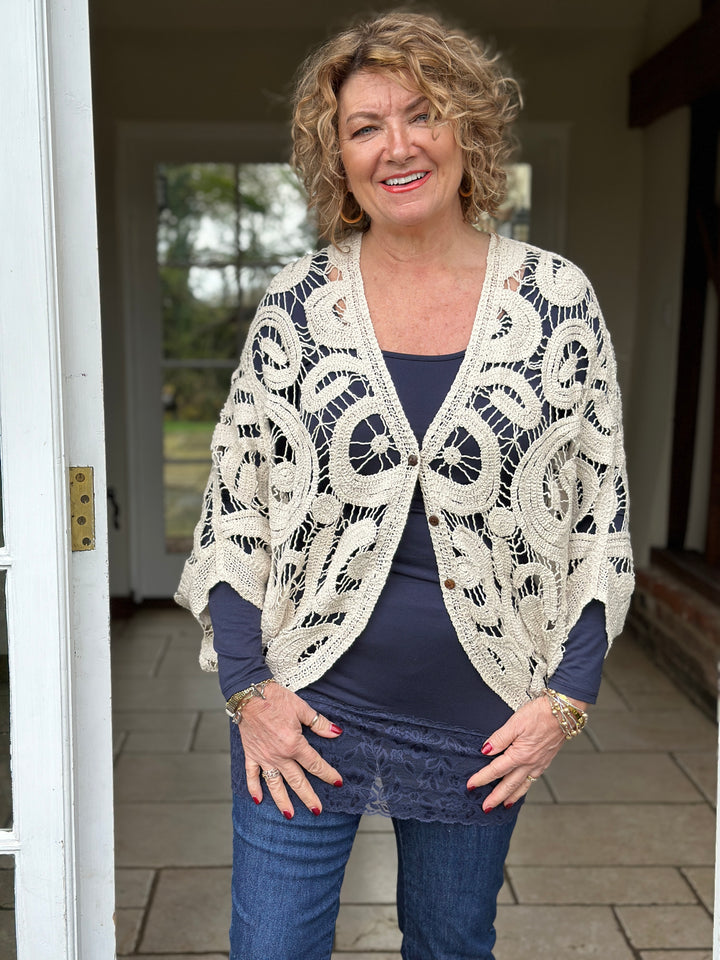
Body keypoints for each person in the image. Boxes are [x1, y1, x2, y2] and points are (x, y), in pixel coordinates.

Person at [176, 11, 634, 959]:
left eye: (422, 113)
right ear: (336, 157)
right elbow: (236, 510)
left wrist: (565, 700)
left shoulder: (556, 303)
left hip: (482, 720)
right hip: (302, 708)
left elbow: (599, 519)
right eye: (365, 127)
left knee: (450, 944)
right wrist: (250, 690)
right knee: (271, 948)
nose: (398, 146)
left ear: (468, 127)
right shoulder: (297, 308)